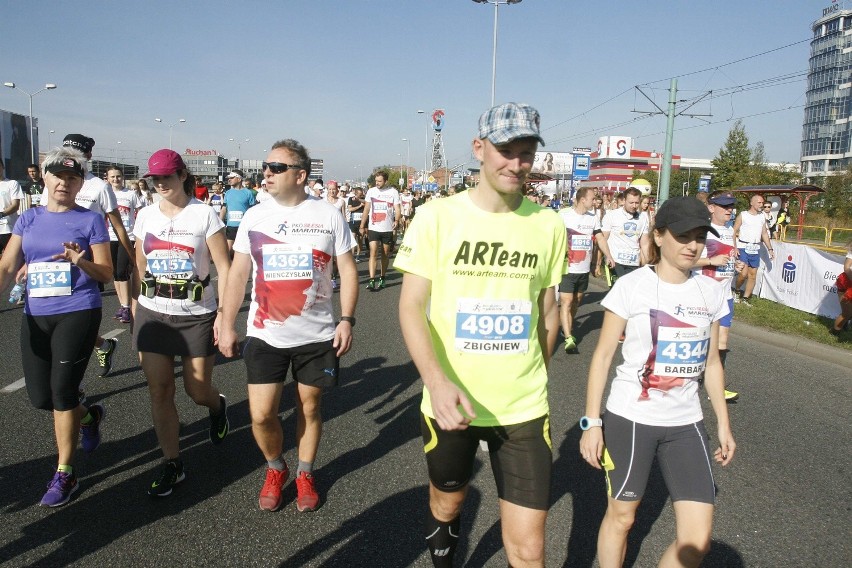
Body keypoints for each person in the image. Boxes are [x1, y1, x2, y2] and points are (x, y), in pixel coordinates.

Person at [396, 102, 566, 568]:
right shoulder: (436, 216)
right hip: (452, 403)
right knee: (448, 503)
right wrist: (435, 381)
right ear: (479, 148)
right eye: (505, 150)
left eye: (526, 153)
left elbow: (547, 311)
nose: (516, 163)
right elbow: (410, 305)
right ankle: (445, 543)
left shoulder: (549, 224)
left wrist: (535, 373)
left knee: (529, 548)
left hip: (524, 408)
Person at [579, 196, 736, 568]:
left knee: (697, 542)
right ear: (660, 236)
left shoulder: (710, 290)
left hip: (686, 422)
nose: (693, 245)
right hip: (631, 418)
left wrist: (724, 425)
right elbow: (602, 357)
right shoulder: (632, 287)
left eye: (700, 236)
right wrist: (592, 423)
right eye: (683, 236)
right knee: (622, 517)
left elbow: (712, 362)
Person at [218, 139, 358, 513]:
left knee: (309, 407)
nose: (267, 173)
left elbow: (347, 269)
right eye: (266, 166)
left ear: (300, 174)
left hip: (316, 334)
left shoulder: (328, 215)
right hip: (266, 333)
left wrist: (346, 319)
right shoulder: (255, 216)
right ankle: (276, 467)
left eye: (277, 167)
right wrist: (225, 320)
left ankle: (305, 472)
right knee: (261, 414)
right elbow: (238, 273)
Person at [0, 148, 112, 507]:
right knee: (41, 398)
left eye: (72, 178)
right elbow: (6, 265)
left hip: (78, 310)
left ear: (80, 184)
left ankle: (66, 471)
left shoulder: (90, 220)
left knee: (62, 392)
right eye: (58, 176)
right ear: (44, 178)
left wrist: (81, 261)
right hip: (36, 313)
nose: (64, 183)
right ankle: (89, 415)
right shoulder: (28, 220)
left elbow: (107, 273)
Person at [133, 149, 231, 497]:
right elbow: (140, 261)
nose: (160, 184)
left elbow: (225, 267)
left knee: (197, 390)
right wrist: (136, 306)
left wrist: (225, 314)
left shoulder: (204, 216)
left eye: (167, 177)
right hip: (153, 312)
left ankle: (217, 406)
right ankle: (172, 463)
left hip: (196, 315)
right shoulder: (144, 216)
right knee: (160, 390)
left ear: (183, 175)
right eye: (154, 178)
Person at [693, 191, 740, 401]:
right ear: (711, 208)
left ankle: (717, 386)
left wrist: (737, 265)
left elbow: (729, 257)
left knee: (722, 341)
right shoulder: (704, 232)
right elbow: (688, 262)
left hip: (725, 295)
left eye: (731, 206)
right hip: (704, 294)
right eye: (724, 206)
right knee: (698, 340)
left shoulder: (730, 230)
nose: (729, 210)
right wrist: (712, 261)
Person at [558, 186, 609, 353]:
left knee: (576, 302)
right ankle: (568, 337)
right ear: (582, 200)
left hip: (583, 269)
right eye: (592, 198)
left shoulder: (593, 218)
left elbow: (600, 238)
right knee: (566, 301)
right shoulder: (564, 215)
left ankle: (566, 327)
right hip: (567, 267)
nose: (595, 201)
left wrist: (608, 256)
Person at [106, 167, 145, 324]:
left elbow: (141, 211)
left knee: (123, 271)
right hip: (109, 236)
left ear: (123, 178)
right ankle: (122, 305)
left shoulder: (130, 194)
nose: (116, 179)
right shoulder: (107, 194)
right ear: (108, 178)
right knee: (115, 273)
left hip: (127, 237)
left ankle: (128, 306)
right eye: (112, 177)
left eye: (118, 176)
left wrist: (139, 233)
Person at [359, 170, 401, 291]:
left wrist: (397, 220)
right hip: (373, 227)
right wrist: (362, 225)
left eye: (379, 181)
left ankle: (382, 277)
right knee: (373, 252)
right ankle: (372, 280)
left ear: (386, 181)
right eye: (376, 181)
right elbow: (366, 209)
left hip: (387, 228)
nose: (377, 183)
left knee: (385, 254)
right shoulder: (371, 191)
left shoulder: (393, 192)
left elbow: (397, 209)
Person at [600, 186, 651, 281]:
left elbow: (644, 243)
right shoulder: (612, 215)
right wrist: (605, 257)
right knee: (618, 292)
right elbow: (603, 239)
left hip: (634, 263)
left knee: (631, 293)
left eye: (637, 203)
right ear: (624, 200)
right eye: (631, 202)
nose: (634, 205)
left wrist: (647, 263)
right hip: (615, 261)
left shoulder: (643, 218)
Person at [732, 194, 775, 306]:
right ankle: (736, 290)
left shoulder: (762, 216)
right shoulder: (743, 215)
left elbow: (764, 233)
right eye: (759, 203)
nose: (761, 205)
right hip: (743, 246)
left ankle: (746, 298)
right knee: (743, 273)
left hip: (755, 248)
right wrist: (735, 247)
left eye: (762, 203)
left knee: (752, 275)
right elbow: (733, 231)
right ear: (752, 203)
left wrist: (770, 248)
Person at [221, 169, 256, 256]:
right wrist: (219, 222)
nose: (229, 180)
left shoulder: (248, 193)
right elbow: (224, 208)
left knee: (243, 252)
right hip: (231, 226)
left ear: (239, 179)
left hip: (244, 227)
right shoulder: (228, 193)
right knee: (229, 251)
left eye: (232, 178)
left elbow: (253, 210)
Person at [0, 160, 24, 255]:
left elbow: (15, 205)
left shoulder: (12, 183)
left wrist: (2, 214)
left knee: (12, 258)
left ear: (3, 167)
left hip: (8, 228)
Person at [831, 238, 852, 336]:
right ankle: (834, 333)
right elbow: (847, 267)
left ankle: (843, 326)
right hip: (847, 283)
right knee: (846, 313)